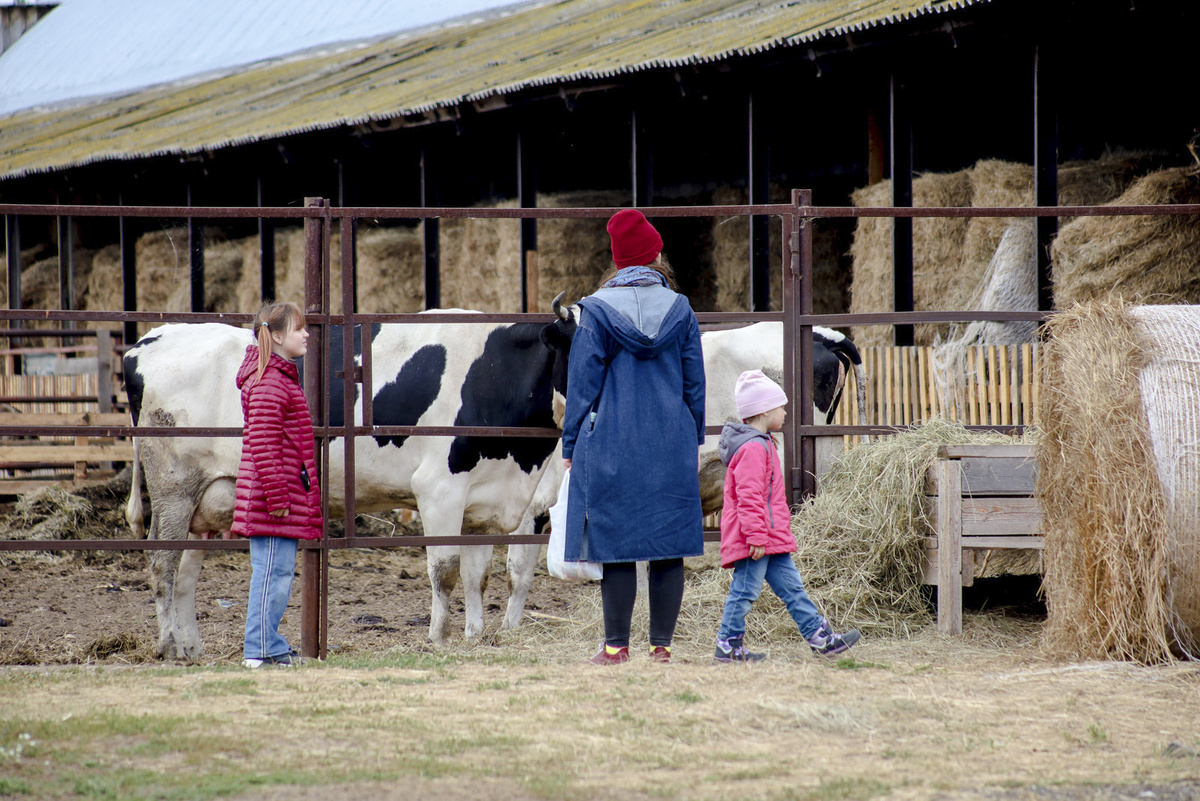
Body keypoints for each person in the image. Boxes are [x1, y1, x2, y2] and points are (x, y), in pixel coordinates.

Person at [561, 209, 706, 665]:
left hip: (611, 444)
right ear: (655, 256)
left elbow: (581, 385)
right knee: (667, 546)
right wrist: (692, 438)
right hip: (670, 440)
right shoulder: (681, 309)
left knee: (616, 545)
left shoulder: (596, 311)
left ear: (617, 261)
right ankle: (661, 647)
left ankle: (615, 647)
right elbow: (694, 384)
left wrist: (570, 445)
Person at [713, 369, 860, 662]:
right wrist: (756, 536)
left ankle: (821, 639)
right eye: (781, 407)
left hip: (770, 536)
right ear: (765, 410)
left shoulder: (762, 443)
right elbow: (749, 497)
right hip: (755, 539)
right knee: (744, 592)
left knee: (793, 588)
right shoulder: (753, 448)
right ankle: (728, 645)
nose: (785, 412)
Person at [231, 302, 323, 668]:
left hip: (278, 494)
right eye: (299, 329)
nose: (306, 334)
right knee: (272, 573)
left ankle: (267, 647)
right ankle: (260, 650)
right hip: (274, 499)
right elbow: (263, 444)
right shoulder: (270, 382)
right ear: (279, 335)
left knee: (276, 573)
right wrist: (278, 497)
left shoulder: (276, 377)